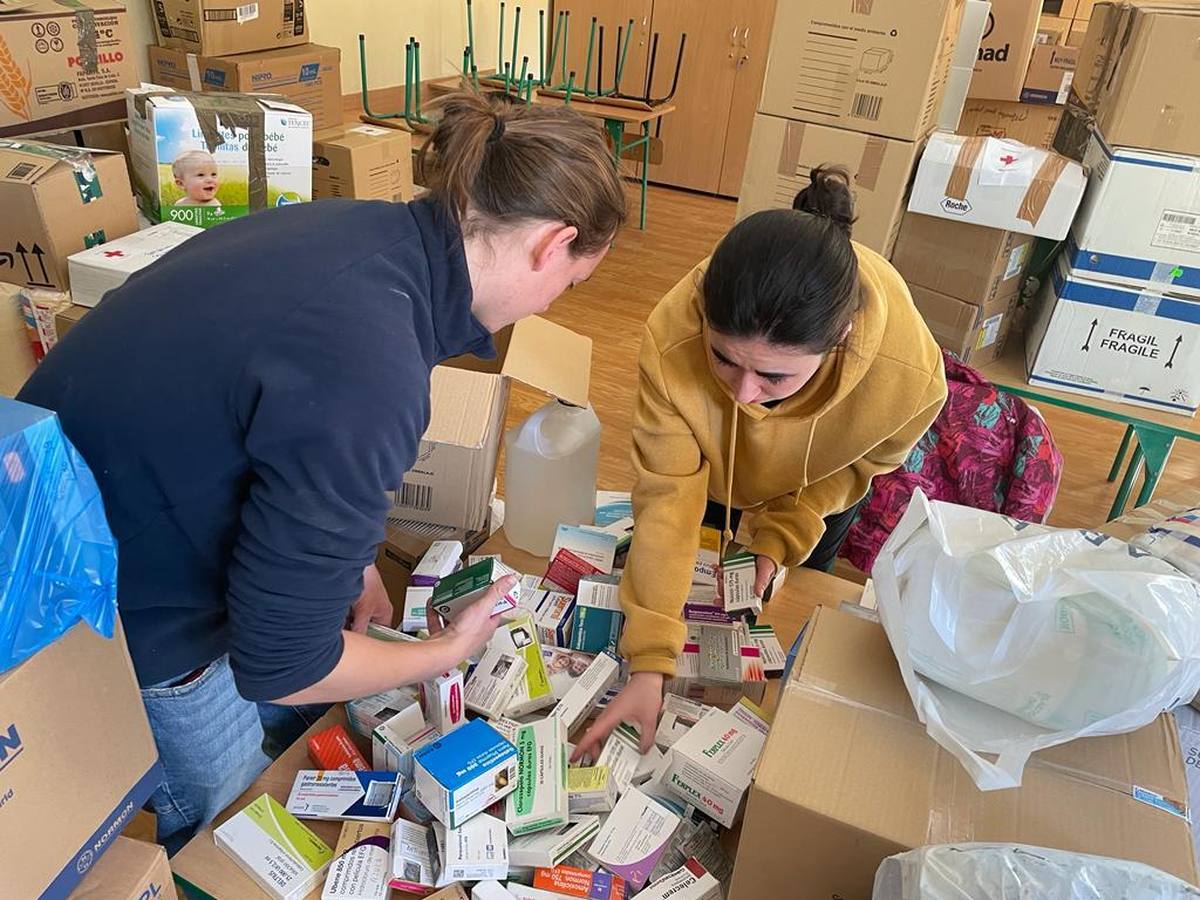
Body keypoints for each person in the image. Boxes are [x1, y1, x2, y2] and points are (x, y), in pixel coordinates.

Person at [18, 90, 626, 852]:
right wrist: (444, 652)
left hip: (72, 509)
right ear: (551, 245)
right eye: (569, 283)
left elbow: (280, 433)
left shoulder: (363, 232)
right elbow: (280, 666)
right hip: (108, 612)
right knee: (238, 821)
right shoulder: (371, 365)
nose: (551, 302)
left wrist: (348, 563)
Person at [573, 167, 947, 759]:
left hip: (814, 490)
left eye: (774, 375)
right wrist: (648, 663)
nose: (743, 395)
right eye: (722, 360)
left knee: (791, 615)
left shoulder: (909, 381)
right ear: (702, 313)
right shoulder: (673, 337)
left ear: (842, 338)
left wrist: (776, 542)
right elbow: (669, 499)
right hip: (712, 475)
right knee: (685, 566)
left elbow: (848, 472)